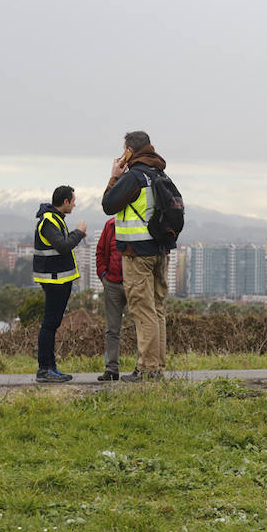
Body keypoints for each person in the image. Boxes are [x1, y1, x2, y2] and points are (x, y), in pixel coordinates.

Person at [101, 131, 176, 382]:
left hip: (136, 253)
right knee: (157, 309)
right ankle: (157, 367)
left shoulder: (134, 176)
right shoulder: (159, 173)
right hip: (160, 251)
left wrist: (114, 175)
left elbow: (108, 205)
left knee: (142, 310)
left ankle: (147, 369)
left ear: (129, 151)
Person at [33, 185, 86, 383]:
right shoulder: (48, 221)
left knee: (52, 324)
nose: (74, 203)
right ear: (65, 202)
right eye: (73, 200)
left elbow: (59, 244)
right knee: (49, 325)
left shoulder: (55, 219)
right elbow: (63, 246)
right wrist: (79, 232)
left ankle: (50, 368)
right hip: (54, 280)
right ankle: (45, 369)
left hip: (59, 279)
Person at [95, 217, 126, 381]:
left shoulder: (138, 221)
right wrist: (104, 275)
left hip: (134, 283)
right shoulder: (110, 225)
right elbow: (100, 251)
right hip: (112, 283)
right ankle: (112, 369)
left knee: (143, 325)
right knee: (112, 329)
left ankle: (143, 367)